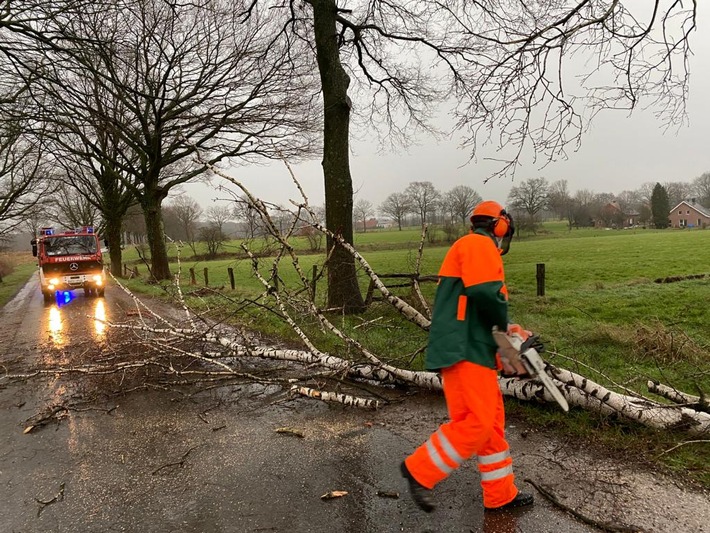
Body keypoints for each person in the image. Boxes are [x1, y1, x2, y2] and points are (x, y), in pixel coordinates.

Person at [400, 200, 534, 513]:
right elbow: (486, 296)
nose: (506, 235)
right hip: (464, 349)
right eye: (505, 229)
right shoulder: (478, 245)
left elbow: (479, 309)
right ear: (498, 224)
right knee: (477, 421)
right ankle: (419, 470)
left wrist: (509, 340)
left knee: (491, 426)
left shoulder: (474, 248)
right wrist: (509, 335)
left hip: (472, 347)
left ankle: (500, 494)